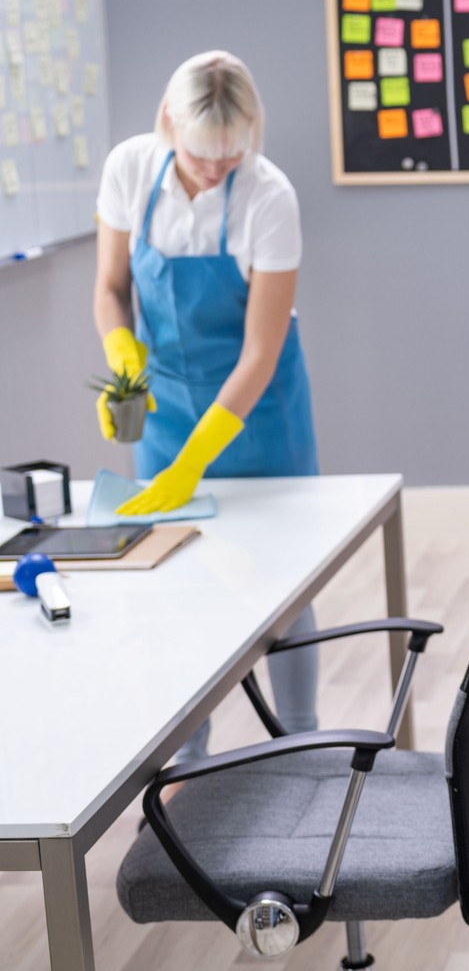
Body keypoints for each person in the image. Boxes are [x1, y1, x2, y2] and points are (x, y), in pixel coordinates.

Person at [93, 50, 321, 756]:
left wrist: (197, 461)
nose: (215, 170)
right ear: (169, 121)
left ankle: (298, 742)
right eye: (200, 157)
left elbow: (258, 352)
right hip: (164, 414)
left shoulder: (269, 197)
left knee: (285, 583)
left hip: (261, 417)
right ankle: (188, 761)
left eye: (230, 156)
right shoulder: (130, 169)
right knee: (173, 579)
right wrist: (122, 356)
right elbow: (109, 288)